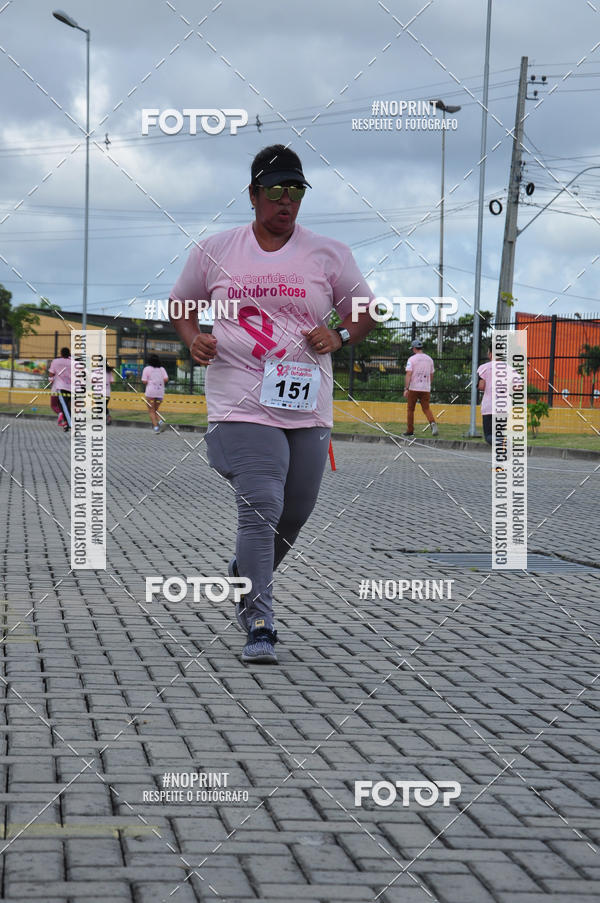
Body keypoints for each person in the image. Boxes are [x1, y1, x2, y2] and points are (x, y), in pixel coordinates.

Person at [169, 144, 376, 665]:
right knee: (262, 504)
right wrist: (193, 339)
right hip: (239, 398)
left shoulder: (328, 253)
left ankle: (244, 576)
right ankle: (259, 619)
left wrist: (340, 337)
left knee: (296, 511)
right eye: (277, 191)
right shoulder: (216, 249)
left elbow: (366, 311)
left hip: (306, 404)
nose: (287, 202)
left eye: (297, 191)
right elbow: (182, 304)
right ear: (254, 195)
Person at [477, 345, 523, 445]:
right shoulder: (510, 369)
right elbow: (518, 387)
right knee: (499, 434)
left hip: (489, 407)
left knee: (489, 436)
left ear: (490, 354)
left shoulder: (483, 368)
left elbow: (481, 386)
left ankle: (504, 443)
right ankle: (501, 456)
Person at [403, 339, 438, 437]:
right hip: (425, 388)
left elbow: (409, 374)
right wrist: (428, 384)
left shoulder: (411, 359)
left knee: (410, 409)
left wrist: (406, 388)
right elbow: (431, 375)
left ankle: (410, 430)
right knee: (426, 408)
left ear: (414, 348)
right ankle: (432, 422)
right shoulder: (429, 359)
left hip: (414, 387)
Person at [141, 354, 168, 433]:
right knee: (155, 410)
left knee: (151, 411)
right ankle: (161, 422)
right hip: (160, 393)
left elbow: (144, 381)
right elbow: (166, 379)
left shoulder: (147, 369)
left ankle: (156, 428)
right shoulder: (162, 369)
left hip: (150, 393)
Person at [48, 346, 71, 431]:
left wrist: (51, 381)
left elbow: (51, 374)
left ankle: (60, 414)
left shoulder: (56, 361)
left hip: (57, 388)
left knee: (54, 405)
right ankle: (66, 424)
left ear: (61, 353)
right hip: (70, 389)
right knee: (66, 407)